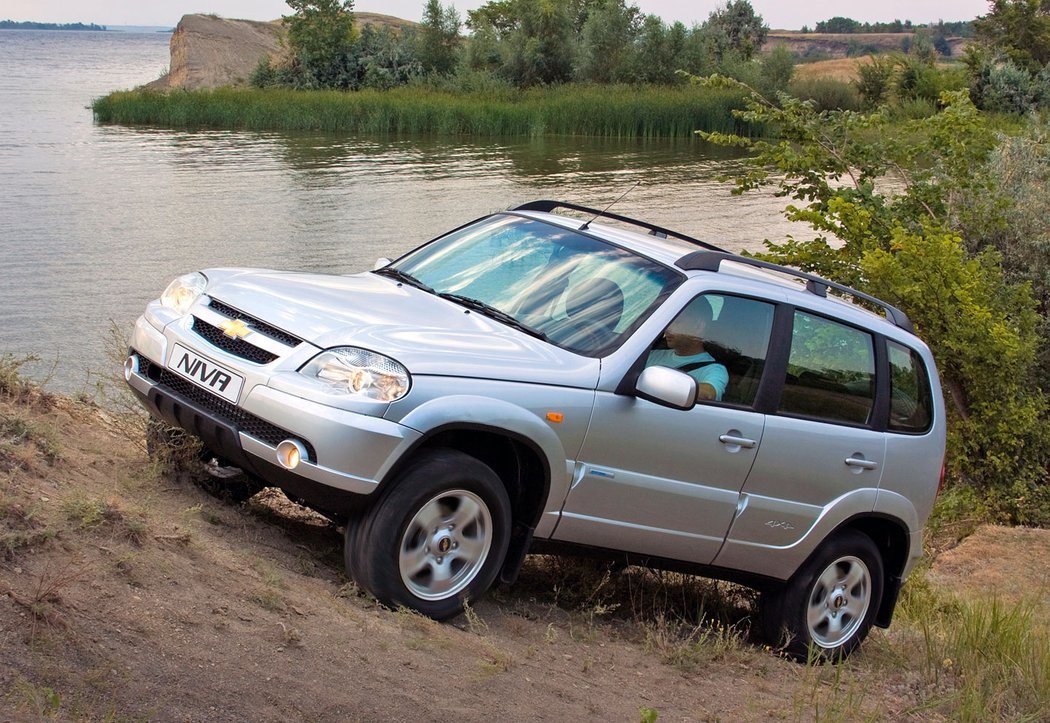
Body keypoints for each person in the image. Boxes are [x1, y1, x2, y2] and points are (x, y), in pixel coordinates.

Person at [645, 298, 728, 401]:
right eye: (669, 322)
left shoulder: (714, 370)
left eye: (677, 322)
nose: (668, 328)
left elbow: (709, 394)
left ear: (699, 326)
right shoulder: (652, 355)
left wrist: (659, 383)